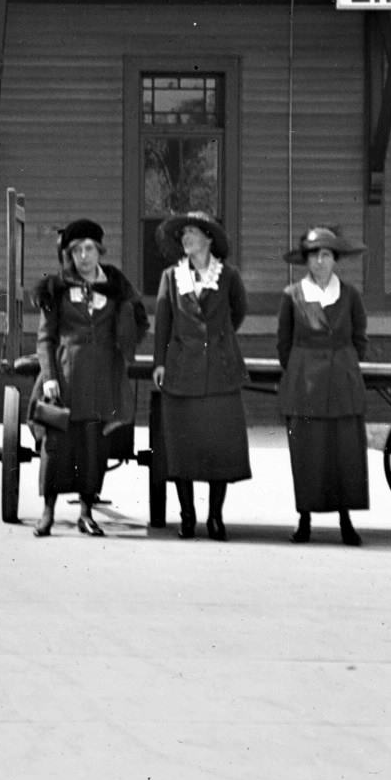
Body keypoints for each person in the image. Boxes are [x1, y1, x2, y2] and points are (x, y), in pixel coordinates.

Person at [31, 219, 147, 538]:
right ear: (70, 254)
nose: (84, 256)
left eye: (90, 249)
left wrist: (126, 341)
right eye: (78, 250)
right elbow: (45, 338)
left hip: (101, 379)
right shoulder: (56, 288)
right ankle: (48, 513)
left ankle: (86, 513)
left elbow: (136, 324)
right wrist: (50, 377)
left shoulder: (116, 287)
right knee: (56, 446)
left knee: (93, 448)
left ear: (100, 251)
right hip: (65, 377)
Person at [152, 211, 250, 540]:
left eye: (193, 231)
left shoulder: (229, 276)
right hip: (182, 371)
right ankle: (188, 516)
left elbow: (238, 311)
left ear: (209, 239)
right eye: (184, 233)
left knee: (220, 447)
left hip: (221, 373)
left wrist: (217, 340)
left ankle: (215, 517)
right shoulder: (171, 276)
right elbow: (163, 322)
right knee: (184, 448)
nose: (186, 237)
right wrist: (160, 363)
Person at [277, 225, 371, 546]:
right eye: (314, 255)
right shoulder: (292, 296)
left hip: (342, 382)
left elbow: (360, 340)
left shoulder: (350, 295)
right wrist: (305, 371)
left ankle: (346, 521)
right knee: (307, 454)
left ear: (336, 260)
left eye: (327, 255)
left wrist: (341, 366)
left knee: (344, 452)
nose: (320, 261)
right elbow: (283, 347)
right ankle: (305, 521)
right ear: (306, 260)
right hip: (305, 386)